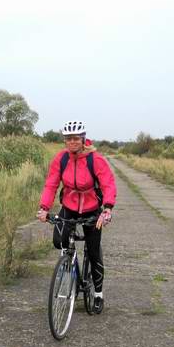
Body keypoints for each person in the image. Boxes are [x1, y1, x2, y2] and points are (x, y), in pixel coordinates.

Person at [37, 120, 117, 313]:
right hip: (70, 206)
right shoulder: (61, 159)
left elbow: (108, 184)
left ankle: (98, 294)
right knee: (60, 240)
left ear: (82, 139)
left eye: (75, 138)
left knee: (93, 249)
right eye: (68, 139)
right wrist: (44, 207)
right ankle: (70, 266)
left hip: (91, 209)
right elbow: (51, 184)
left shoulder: (95, 159)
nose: (71, 142)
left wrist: (107, 208)